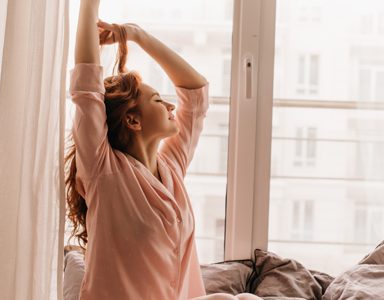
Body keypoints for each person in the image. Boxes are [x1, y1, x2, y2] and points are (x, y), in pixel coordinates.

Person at [66, 1, 261, 299]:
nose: (170, 105)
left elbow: (196, 94)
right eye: (158, 101)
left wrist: (137, 35)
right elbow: (86, 88)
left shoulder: (171, 167)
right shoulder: (103, 170)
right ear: (132, 120)